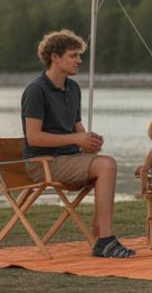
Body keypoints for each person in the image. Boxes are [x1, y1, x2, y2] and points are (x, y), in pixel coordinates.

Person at [21, 29, 135, 258]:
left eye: (79, 55)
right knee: (107, 165)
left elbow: (76, 127)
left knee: (106, 163)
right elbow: (34, 137)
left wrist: (89, 142)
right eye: (73, 55)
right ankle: (105, 240)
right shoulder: (36, 91)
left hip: (69, 158)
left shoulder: (73, 88)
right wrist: (75, 139)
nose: (79, 60)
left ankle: (101, 237)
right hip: (43, 163)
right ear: (55, 57)